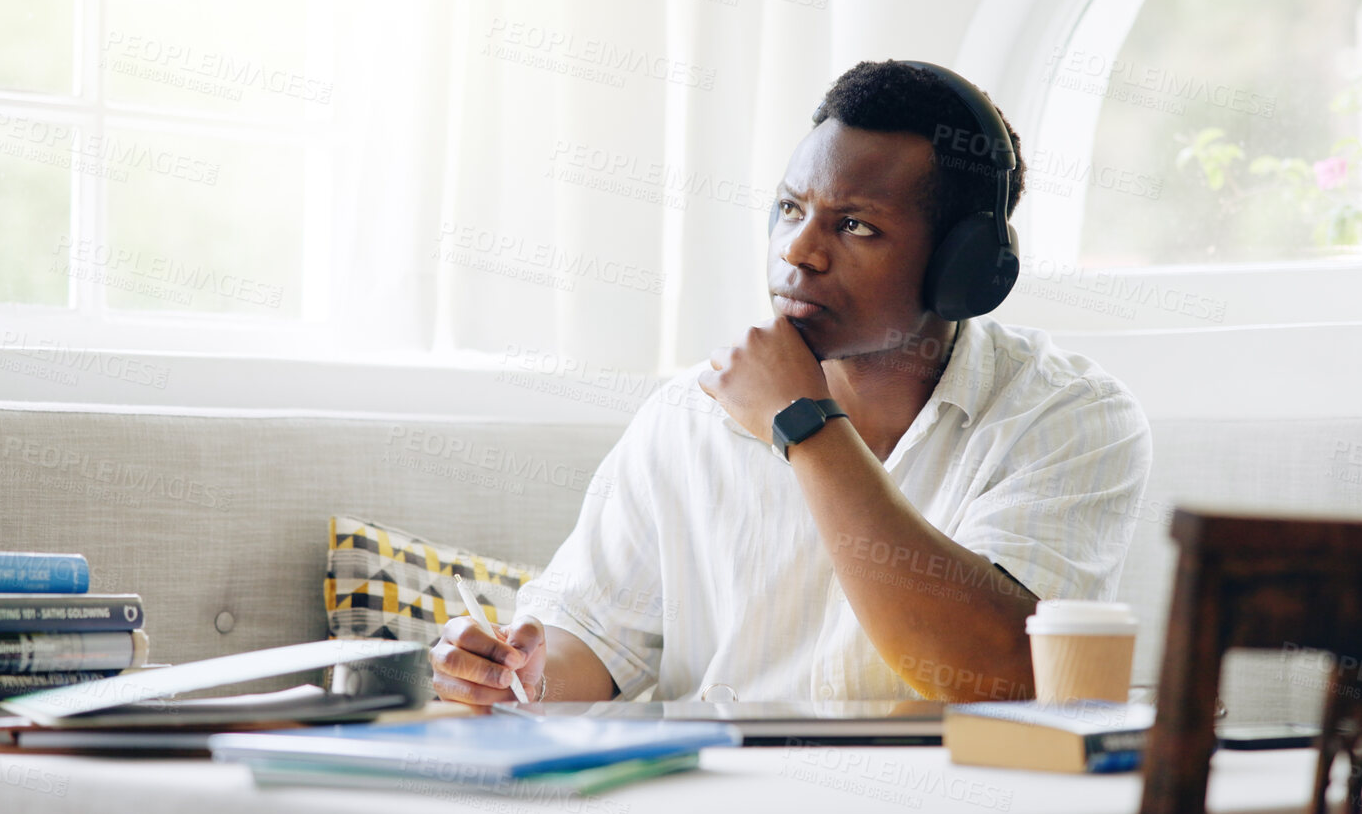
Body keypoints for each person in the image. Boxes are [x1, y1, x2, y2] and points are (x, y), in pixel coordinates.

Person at [431, 59, 1151, 707]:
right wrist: (513, 670)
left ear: (962, 266)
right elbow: (590, 641)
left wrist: (802, 422)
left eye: (854, 226)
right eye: (788, 209)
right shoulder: (689, 415)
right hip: (716, 807)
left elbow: (997, 670)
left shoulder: (1069, 417)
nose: (798, 251)